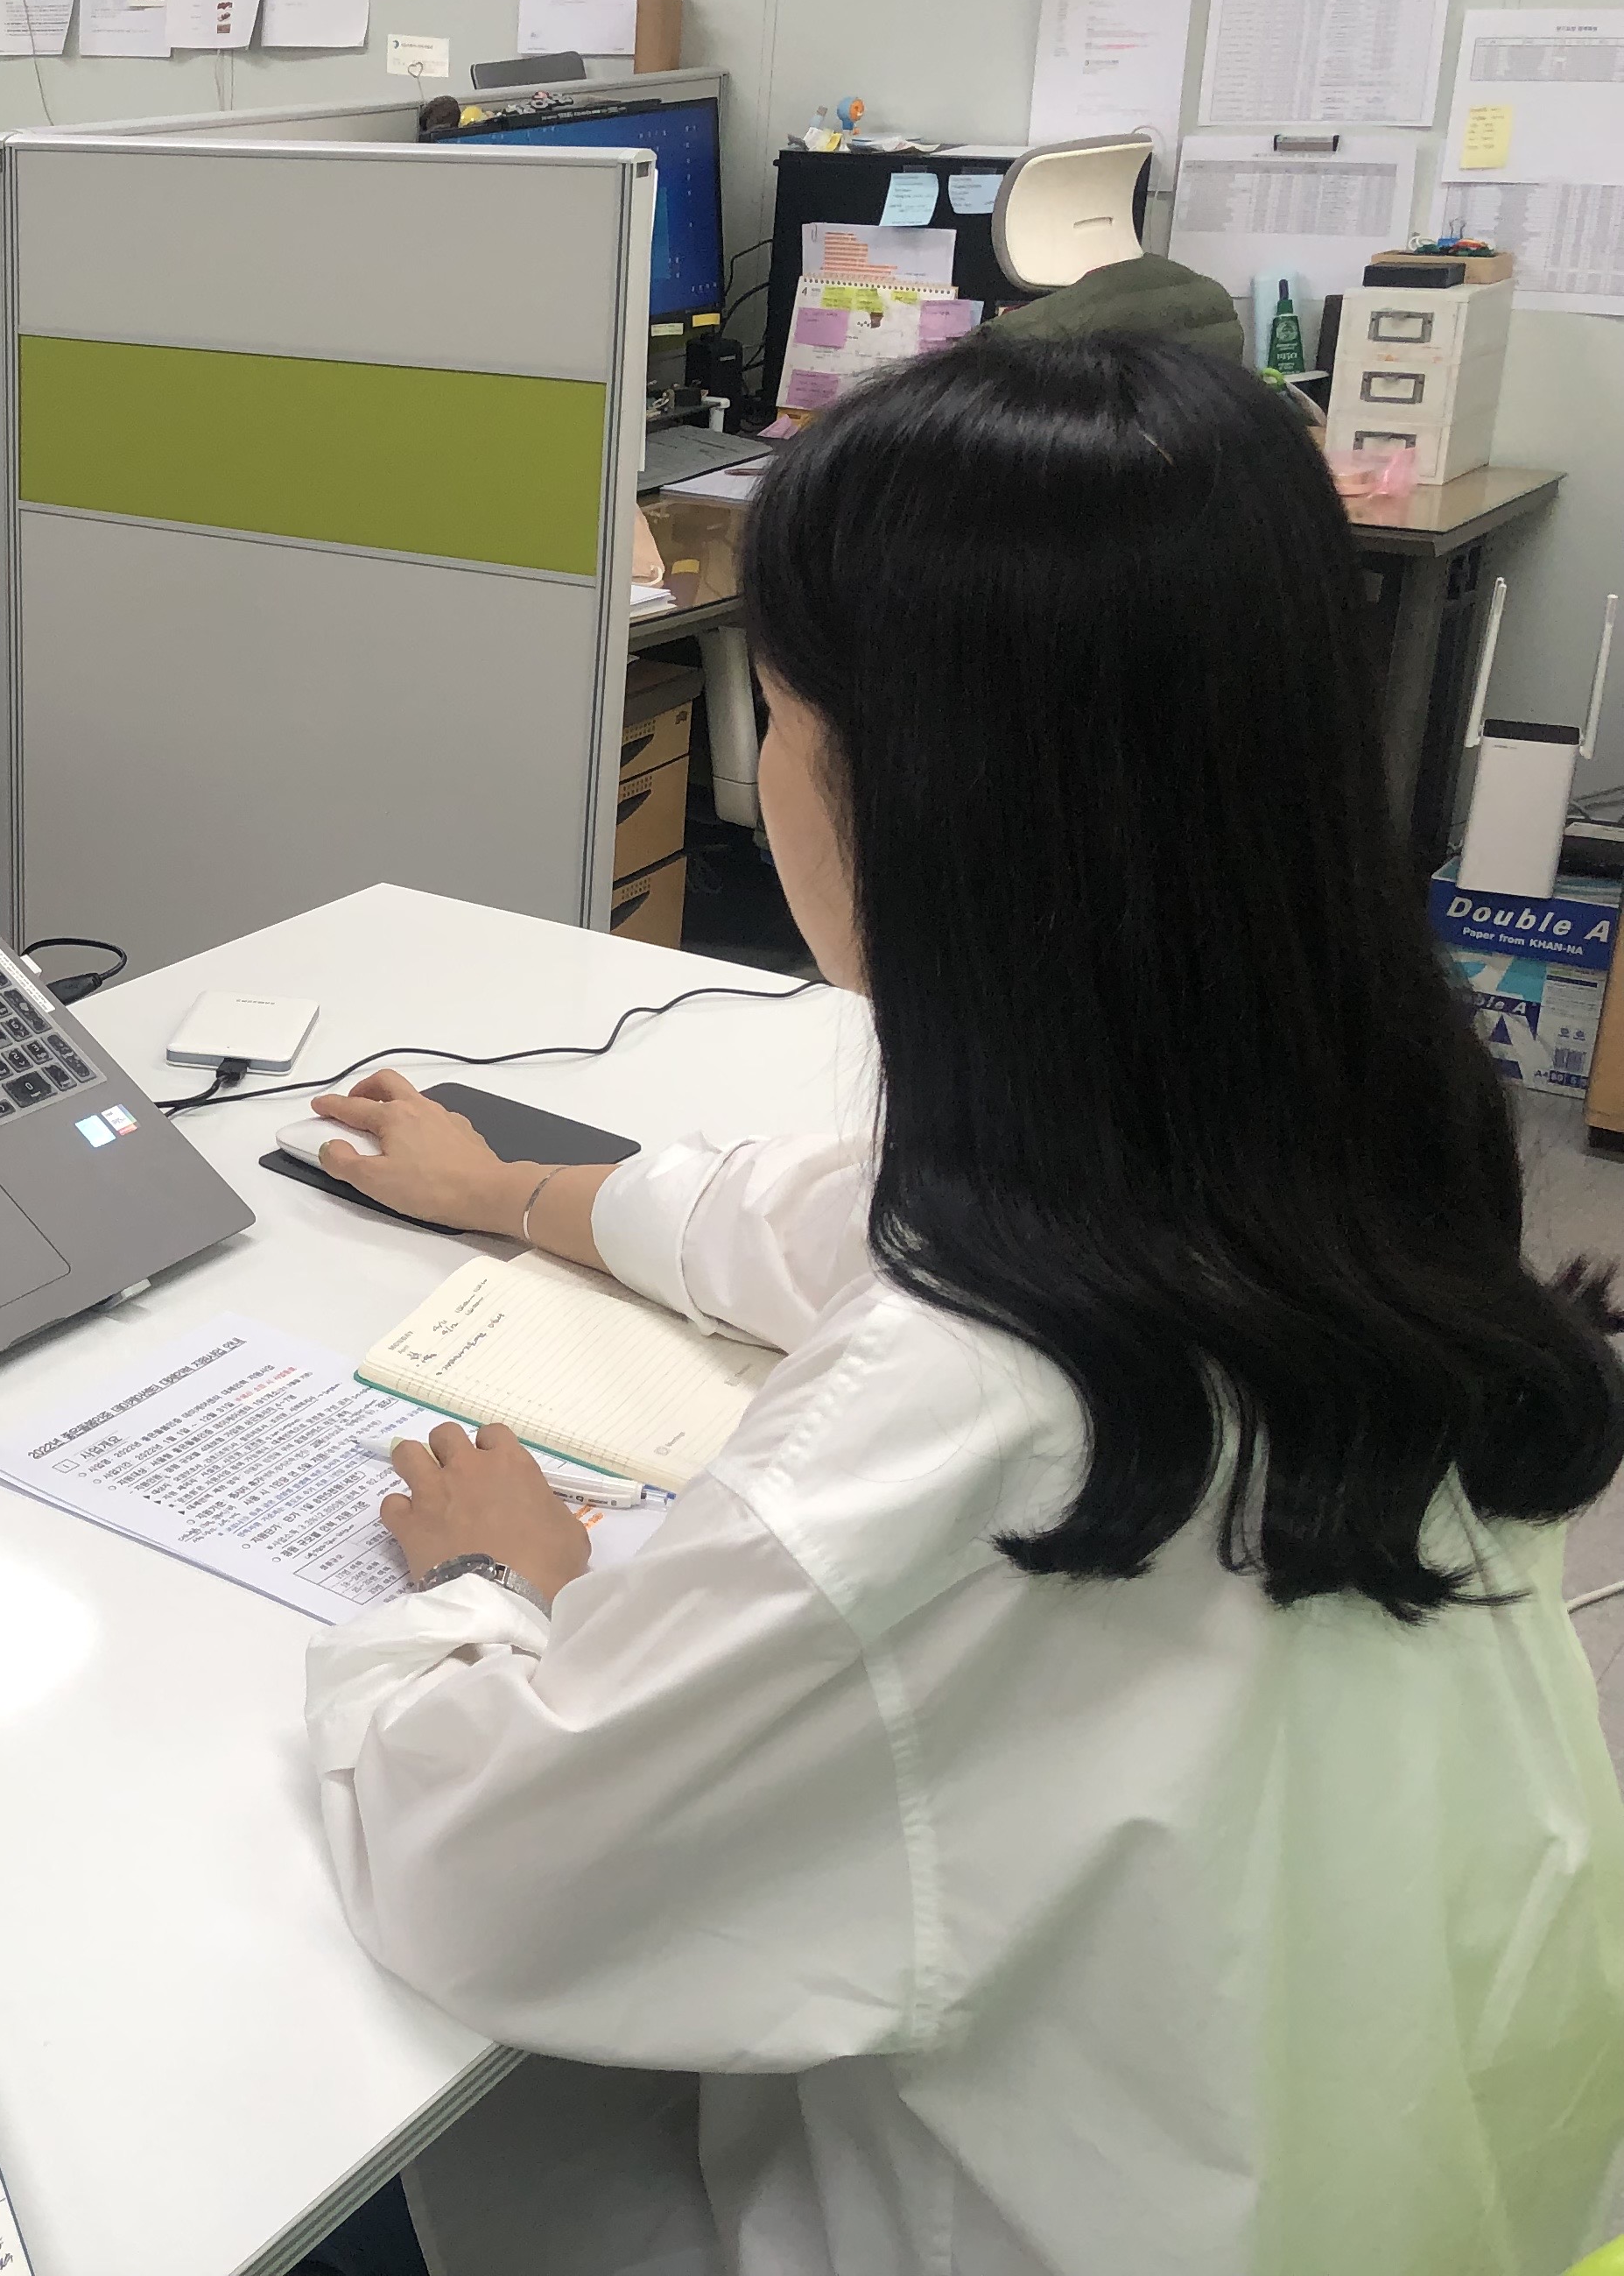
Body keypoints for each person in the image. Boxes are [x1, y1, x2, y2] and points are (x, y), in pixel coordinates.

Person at [299, 331, 1624, 2274]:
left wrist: (498, 1585)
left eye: (781, 707)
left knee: (303, 2134)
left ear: (908, 790)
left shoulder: (960, 1422)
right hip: (1429, 2191)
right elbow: (833, 1219)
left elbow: (472, 1872)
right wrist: (512, 1189)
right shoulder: (1341, 1162)